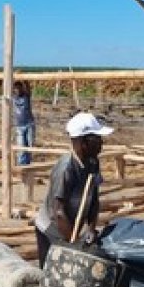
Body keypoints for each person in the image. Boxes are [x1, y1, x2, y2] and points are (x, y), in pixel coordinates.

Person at [33, 112, 112, 266]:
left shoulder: (93, 163)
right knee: (53, 273)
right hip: (51, 230)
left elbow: (94, 199)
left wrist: (91, 228)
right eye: (98, 139)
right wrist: (73, 244)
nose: (102, 143)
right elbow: (59, 212)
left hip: (71, 227)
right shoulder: (66, 169)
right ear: (84, 143)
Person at [12, 80, 36, 166]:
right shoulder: (13, 98)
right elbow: (3, 87)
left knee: (30, 145)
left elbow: (28, 86)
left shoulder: (26, 96)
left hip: (29, 124)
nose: (17, 90)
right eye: (15, 88)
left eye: (19, 88)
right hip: (19, 126)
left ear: (22, 88)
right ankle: (22, 165)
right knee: (21, 146)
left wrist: (23, 79)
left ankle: (28, 164)